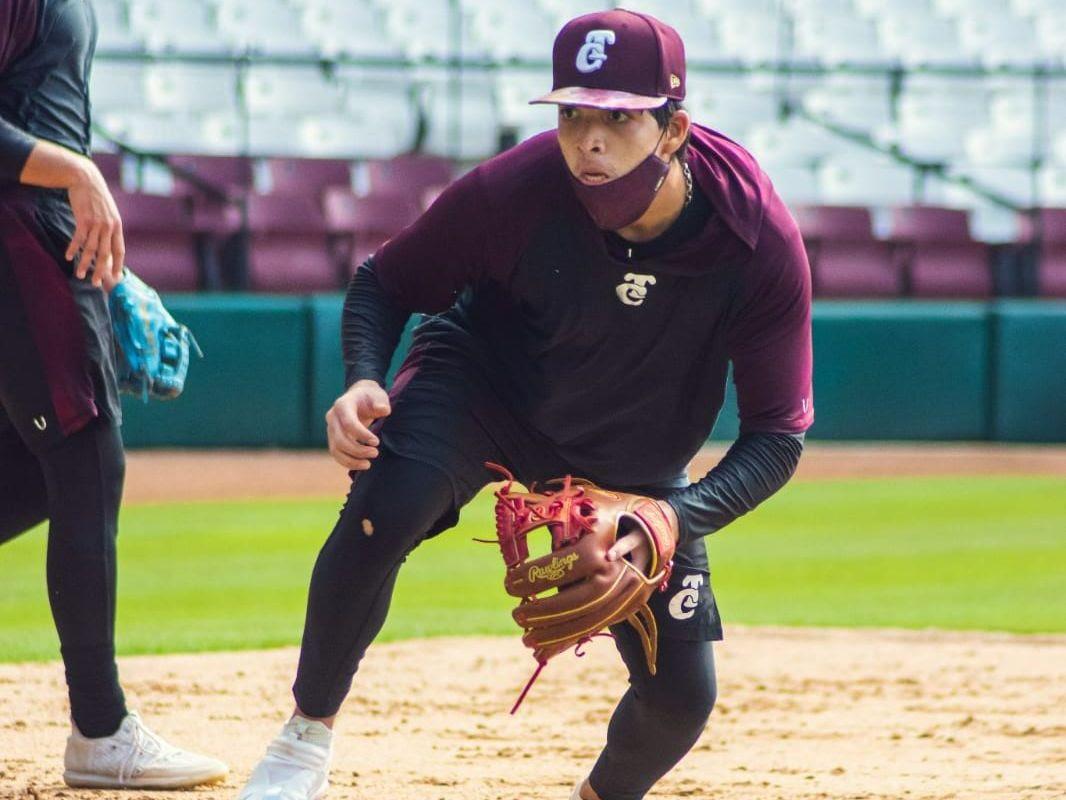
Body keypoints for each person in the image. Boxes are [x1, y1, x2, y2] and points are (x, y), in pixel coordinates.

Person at [238, 9, 813, 800]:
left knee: (682, 698)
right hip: (488, 388)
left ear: (674, 129)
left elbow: (777, 438)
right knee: (384, 505)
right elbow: (386, 282)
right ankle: (303, 740)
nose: (588, 141)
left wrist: (670, 517)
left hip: (634, 454)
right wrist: (364, 375)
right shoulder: (518, 188)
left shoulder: (755, 238)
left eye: (618, 118)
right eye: (573, 114)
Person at [0, 0, 227, 788]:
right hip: (20, 239)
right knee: (87, 457)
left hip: (37, 229)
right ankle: (101, 731)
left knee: (37, 469)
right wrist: (74, 172)